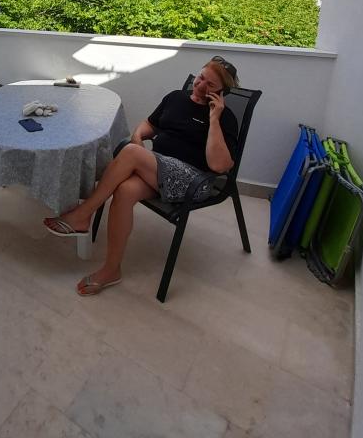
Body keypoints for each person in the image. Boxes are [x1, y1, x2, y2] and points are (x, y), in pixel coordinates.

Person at [43, 56, 240, 295]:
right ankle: (111, 269)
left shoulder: (225, 118)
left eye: (210, 85)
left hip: (193, 180)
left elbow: (219, 165)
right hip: (160, 169)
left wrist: (214, 119)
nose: (200, 85)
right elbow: (148, 124)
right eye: (200, 77)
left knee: (130, 153)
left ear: (221, 92)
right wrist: (137, 138)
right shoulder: (176, 97)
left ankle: (83, 214)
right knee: (125, 190)